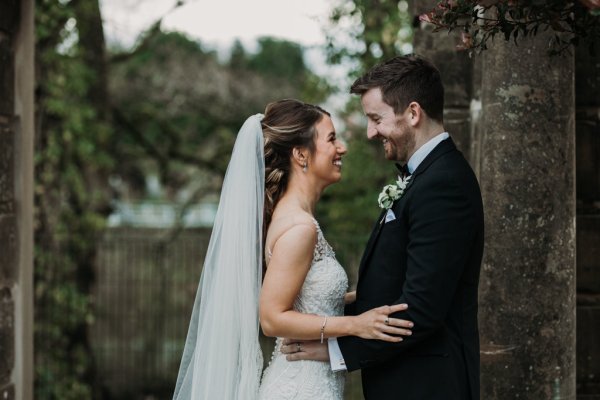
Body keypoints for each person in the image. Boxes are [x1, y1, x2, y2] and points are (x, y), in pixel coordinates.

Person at [172, 99, 414, 400]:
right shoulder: (300, 229)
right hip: (300, 388)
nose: (342, 148)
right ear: (301, 154)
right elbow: (272, 318)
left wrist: (368, 298)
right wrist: (355, 325)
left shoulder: (296, 219)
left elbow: (307, 300)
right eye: (331, 139)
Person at [283, 55, 484, 400]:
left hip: (428, 386)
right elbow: (394, 284)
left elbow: (419, 309)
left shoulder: (444, 183)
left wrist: (337, 350)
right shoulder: (422, 176)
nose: (370, 132)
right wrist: (320, 311)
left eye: (376, 118)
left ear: (413, 113)